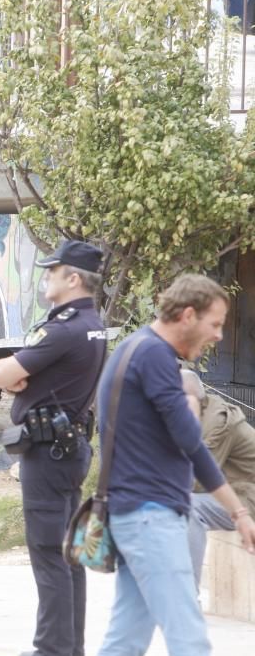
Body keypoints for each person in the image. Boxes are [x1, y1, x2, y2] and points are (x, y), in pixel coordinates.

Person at [95, 274, 255, 656]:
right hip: (152, 516)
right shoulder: (154, 356)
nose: (218, 335)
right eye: (215, 324)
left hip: (132, 511)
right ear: (187, 315)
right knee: (190, 640)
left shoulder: (133, 349)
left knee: (126, 640)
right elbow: (192, 445)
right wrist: (238, 512)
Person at [0, 239, 108, 656]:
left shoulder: (64, 329)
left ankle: (52, 649)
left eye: (51, 270)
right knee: (69, 551)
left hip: (49, 452)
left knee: (47, 549)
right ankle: (68, 647)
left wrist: (16, 378)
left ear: (72, 278)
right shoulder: (91, 324)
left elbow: (1, 374)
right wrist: (22, 377)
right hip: (68, 449)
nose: (45, 277)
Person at [181, 369, 255, 588]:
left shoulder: (216, 421)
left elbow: (198, 479)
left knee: (190, 507)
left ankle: (188, 594)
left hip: (247, 495)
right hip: (234, 492)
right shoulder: (197, 415)